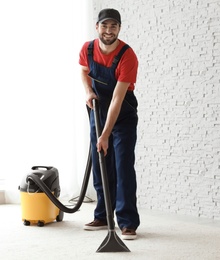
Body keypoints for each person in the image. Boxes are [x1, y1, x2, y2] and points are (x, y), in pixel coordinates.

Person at [79, 8, 140, 240]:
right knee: (100, 163)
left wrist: (105, 134)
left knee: (122, 165)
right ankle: (103, 215)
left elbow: (117, 98)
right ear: (97, 27)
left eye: (113, 26)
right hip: (97, 110)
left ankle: (127, 222)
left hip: (122, 114)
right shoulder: (88, 49)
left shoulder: (127, 55)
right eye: (104, 26)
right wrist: (87, 92)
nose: (108, 30)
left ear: (119, 29)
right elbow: (84, 72)